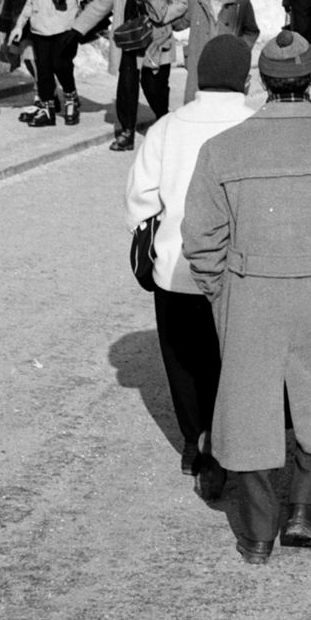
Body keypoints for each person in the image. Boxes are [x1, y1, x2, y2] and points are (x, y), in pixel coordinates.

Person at [182, 30, 311, 564]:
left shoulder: (222, 149)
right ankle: (303, 511)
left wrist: (221, 293)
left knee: (247, 408)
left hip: (250, 294)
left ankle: (257, 533)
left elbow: (200, 241)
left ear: (263, 81)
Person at [125, 33, 258, 503]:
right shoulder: (255, 125)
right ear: (245, 78)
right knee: (231, 362)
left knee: (183, 361)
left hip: (176, 269)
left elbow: (140, 198)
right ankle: (226, 444)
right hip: (238, 272)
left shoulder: (167, 127)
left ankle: (192, 440)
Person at [80, 0, 185, 151]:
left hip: (154, 42)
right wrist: (76, 29)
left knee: (153, 87)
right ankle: (126, 132)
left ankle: (163, 119)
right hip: (128, 40)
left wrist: (161, 14)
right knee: (126, 89)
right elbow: (100, 4)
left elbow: (181, 2)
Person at [175, 0, 262, 104]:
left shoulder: (241, 4)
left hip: (227, 58)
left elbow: (251, 31)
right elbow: (179, 23)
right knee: (197, 103)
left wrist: (240, 49)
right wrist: (171, 9)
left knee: (223, 101)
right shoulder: (196, 1)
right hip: (200, 57)